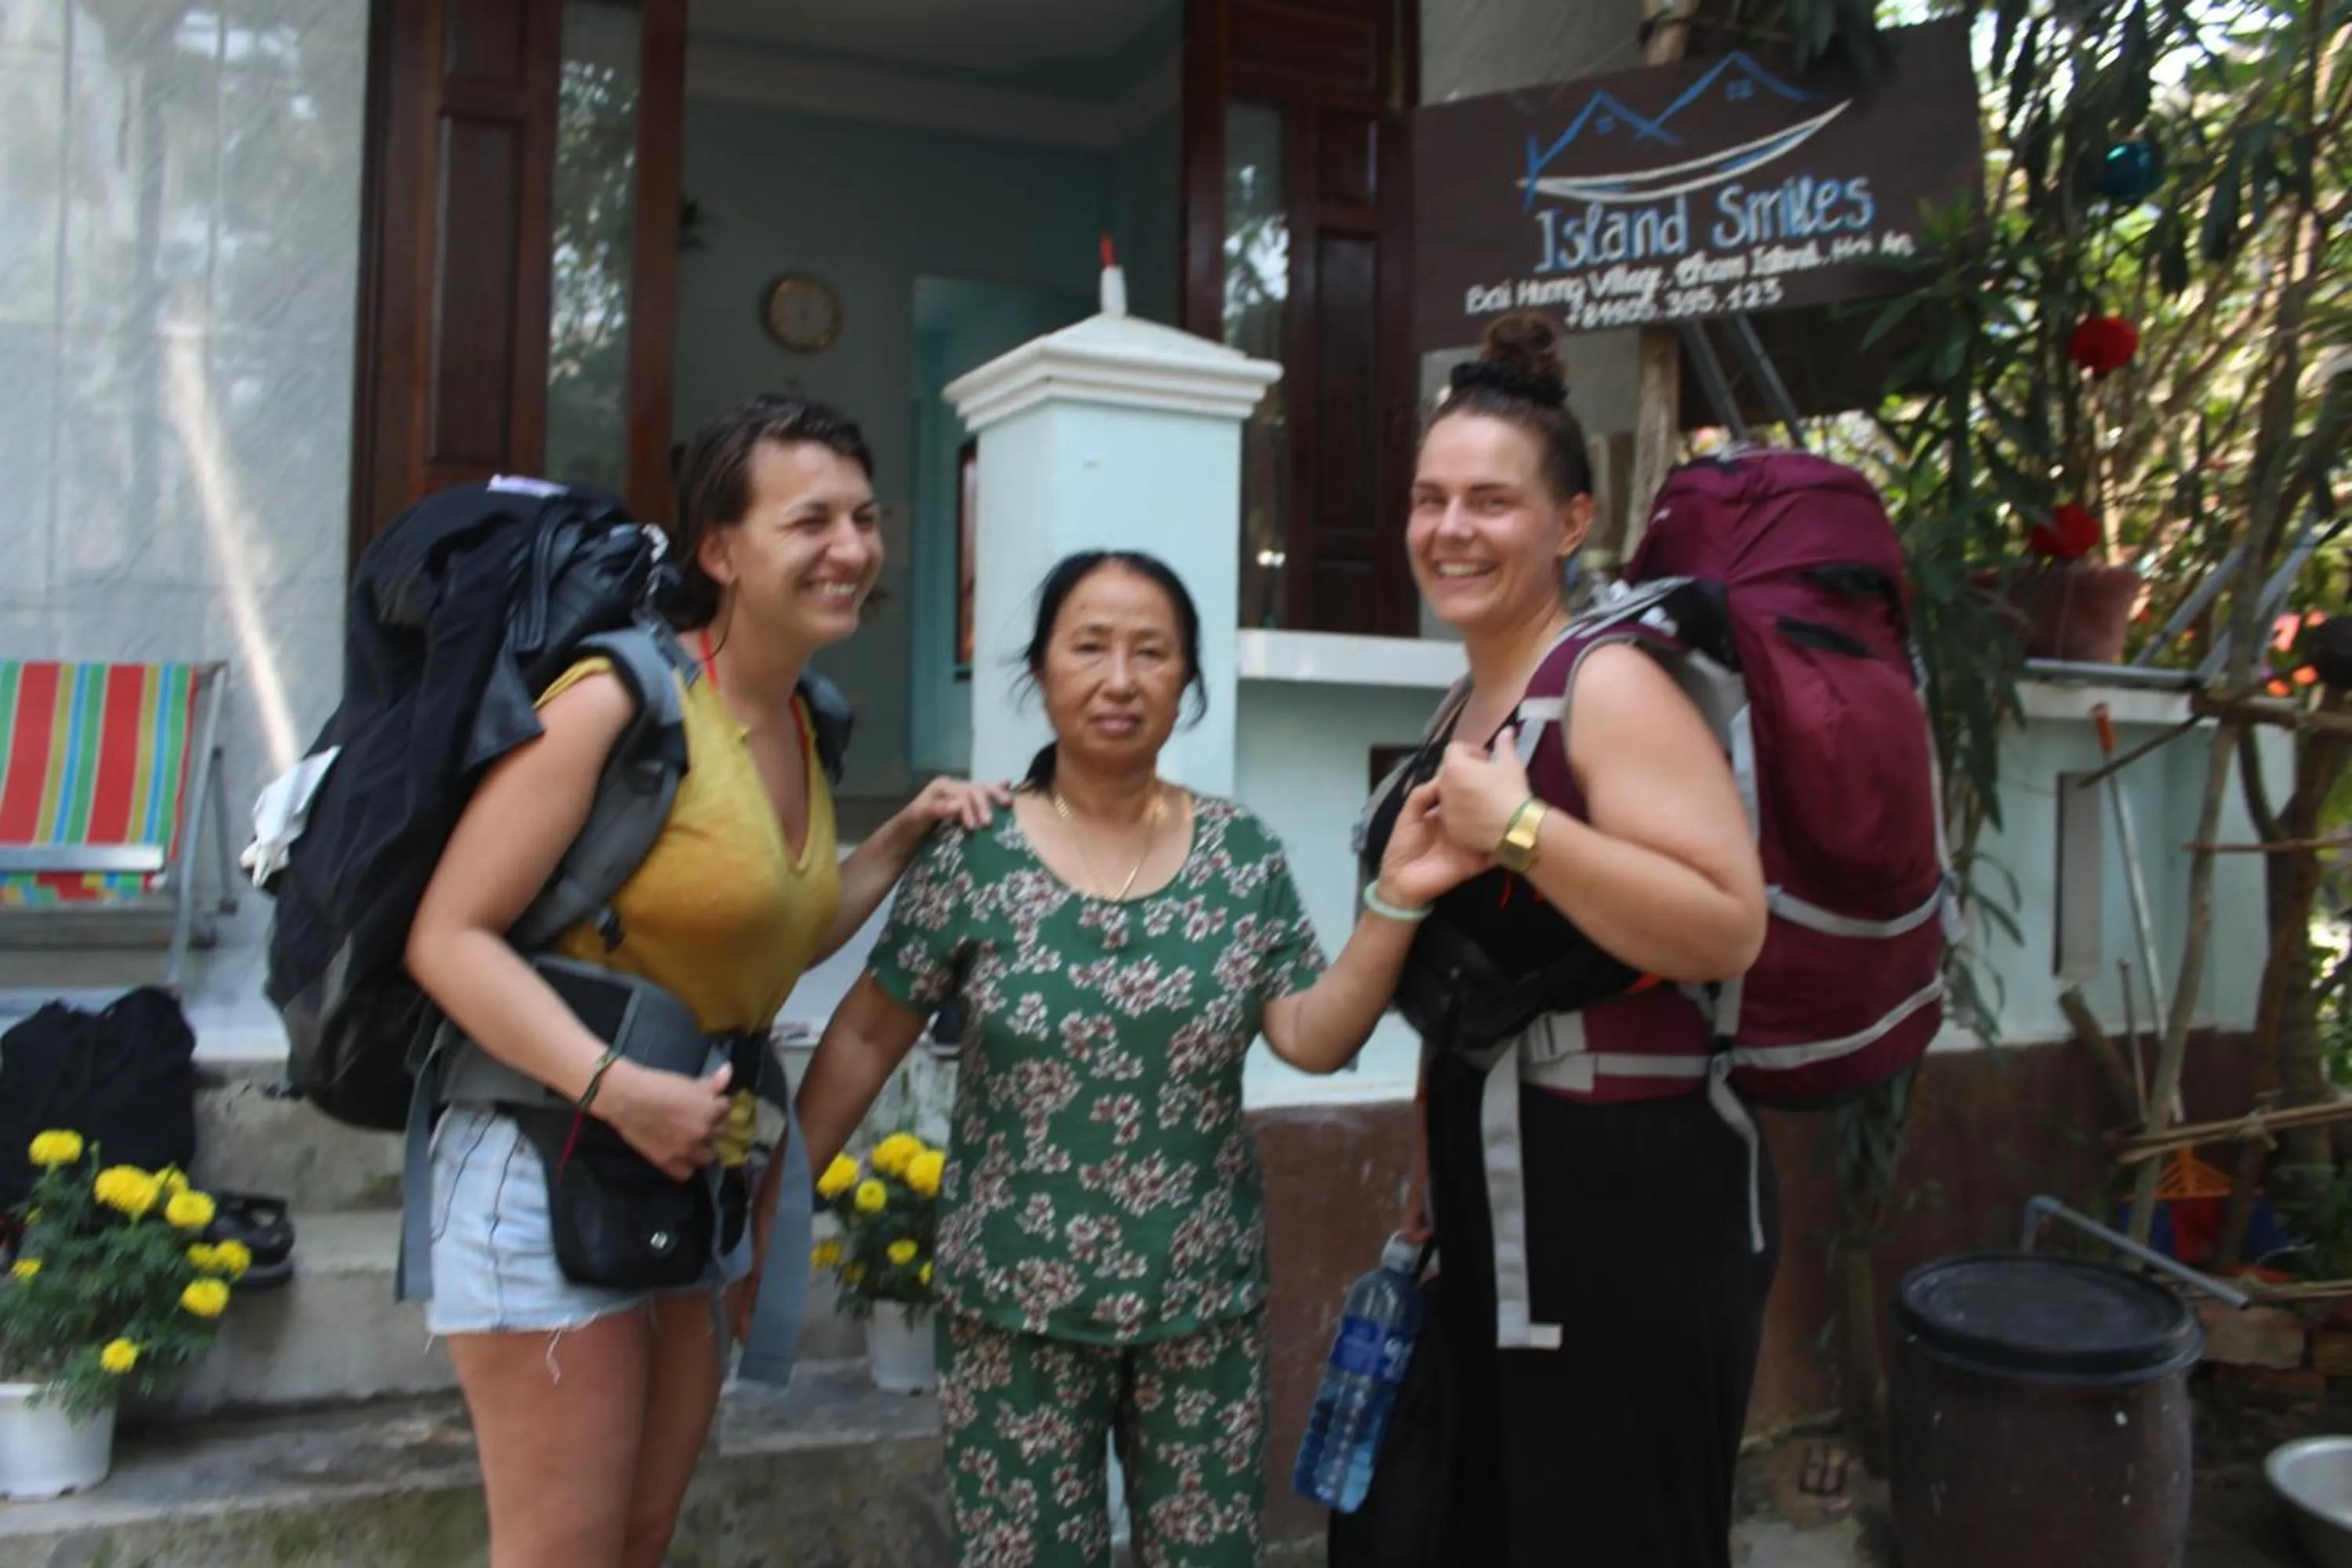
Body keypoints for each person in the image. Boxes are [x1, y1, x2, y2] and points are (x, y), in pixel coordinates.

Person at [403, 394, 1006, 1568]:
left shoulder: (801, 719)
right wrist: (615, 1085)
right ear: (721, 552)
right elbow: (449, 936)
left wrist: (897, 839)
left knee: (637, 1536)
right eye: (811, 520)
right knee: (560, 1552)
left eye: (865, 518)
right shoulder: (618, 701)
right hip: (543, 1158)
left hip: (684, 1172)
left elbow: (763, 932)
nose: (850, 547)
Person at [796, 549, 1482, 1567]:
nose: (1120, 679)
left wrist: (1398, 895)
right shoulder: (974, 854)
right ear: (1040, 671)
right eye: (1090, 647)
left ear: (1187, 681)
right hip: (1011, 1311)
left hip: (1200, 1309)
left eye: (1151, 653)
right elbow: (860, 1034)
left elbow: (1312, 1036)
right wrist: (769, 1213)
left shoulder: (1240, 855)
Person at [1356, 311, 1773, 1566]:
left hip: (1628, 1196)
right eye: (1432, 500)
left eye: (1492, 501)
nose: (1451, 530)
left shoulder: (1610, 682)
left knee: (1613, 1531)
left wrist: (1527, 826)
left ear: (1572, 522)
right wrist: (1427, 1175)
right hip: (1496, 1190)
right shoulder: (1470, 694)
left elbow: (1725, 924)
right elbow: (1466, 973)